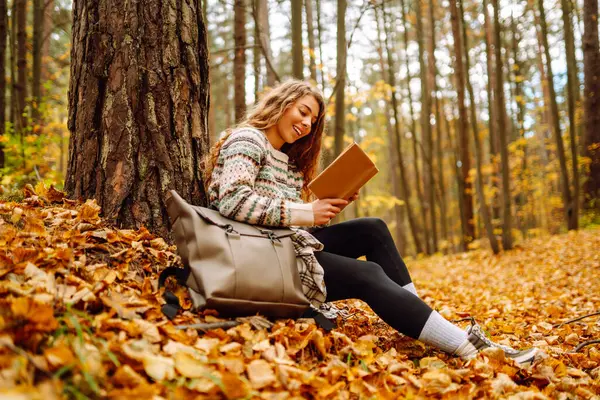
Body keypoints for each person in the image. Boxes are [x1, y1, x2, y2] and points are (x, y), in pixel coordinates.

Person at [202, 79, 539, 366]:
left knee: (371, 229)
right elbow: (233, 201)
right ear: (282, 103)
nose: (306, 124)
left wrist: (328, 206)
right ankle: (474, 351)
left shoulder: (286, 161)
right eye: (302, 111)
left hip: (281, 247)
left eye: (313, 120)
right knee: (369, 275)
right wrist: (307, 212)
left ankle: (426, 320)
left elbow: (284, 218)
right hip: (259, 261)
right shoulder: (247, 140)